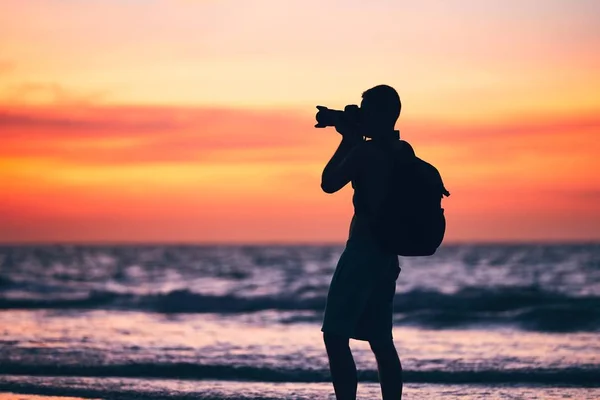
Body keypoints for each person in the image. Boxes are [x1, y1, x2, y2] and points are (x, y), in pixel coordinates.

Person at [320, 84, 404, 400]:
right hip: (387, 256)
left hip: (362, 253)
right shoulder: (401, 150)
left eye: (366, 108)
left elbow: (329, 183)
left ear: (382, 114)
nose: (361, 113)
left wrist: (346, 139)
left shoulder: (367, 152)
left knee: (335, 335)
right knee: (381, 340)